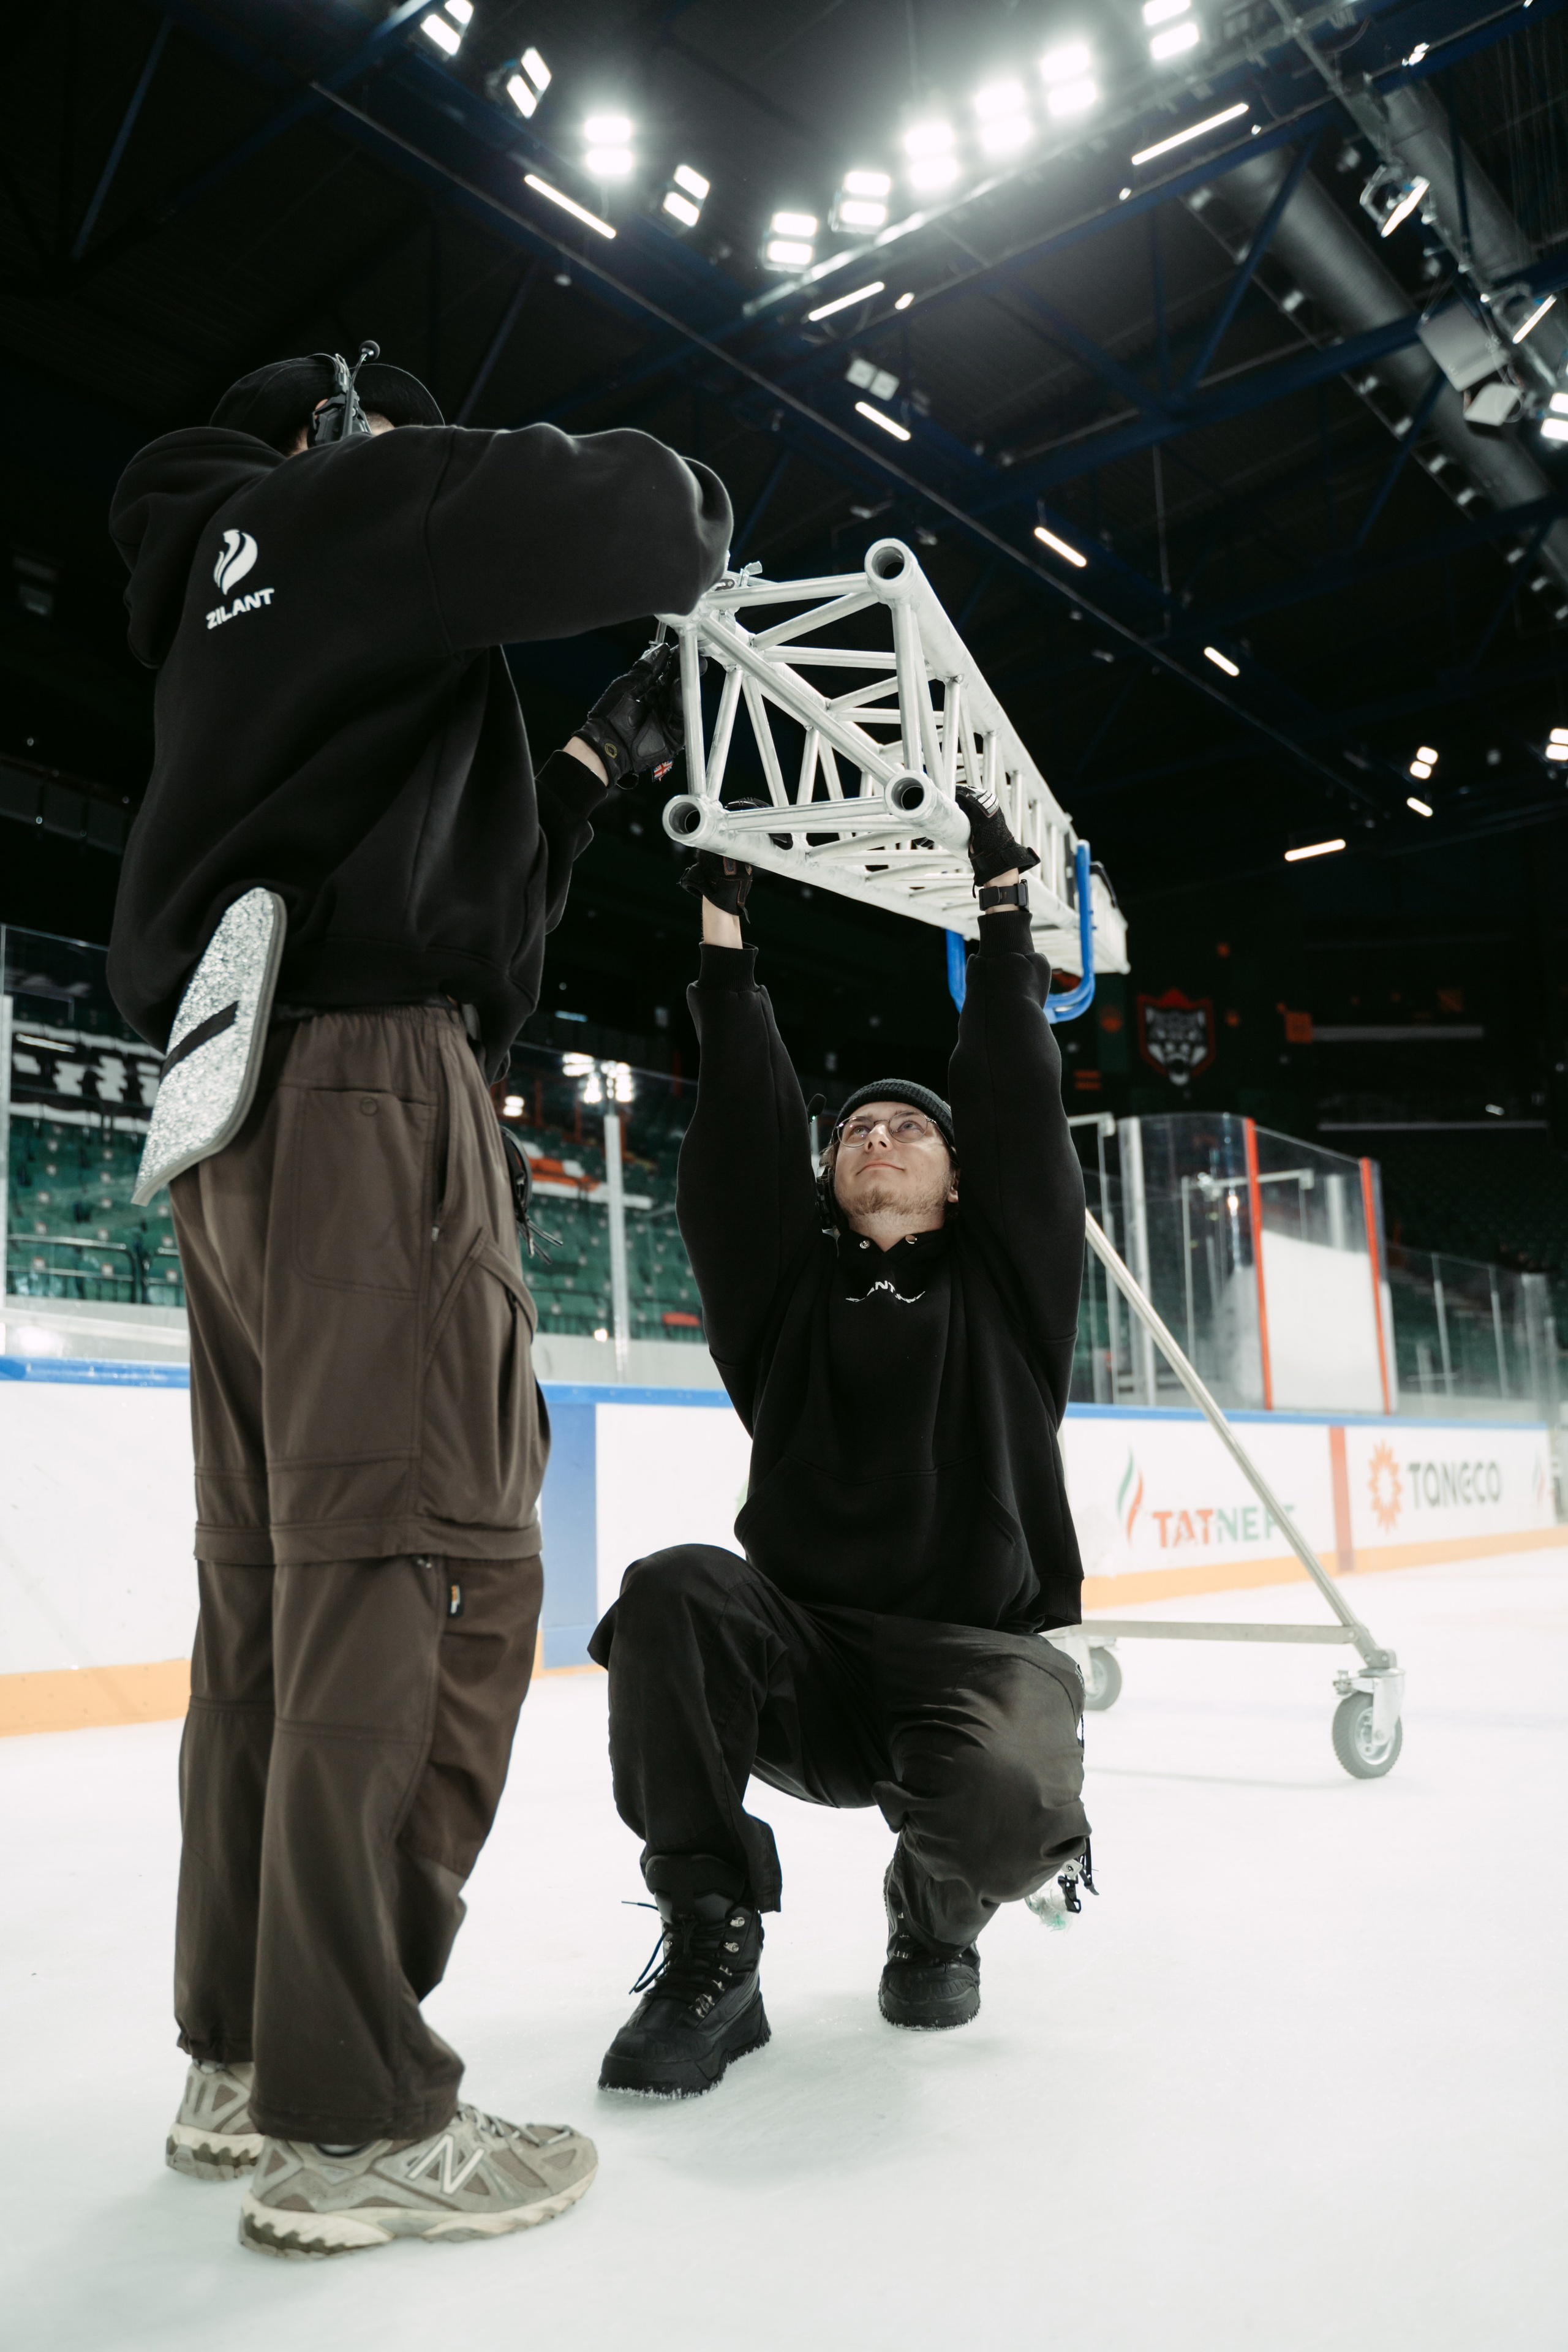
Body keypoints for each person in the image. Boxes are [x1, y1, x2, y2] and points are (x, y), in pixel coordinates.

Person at [107, 348, 731, 2251]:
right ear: (344, 427)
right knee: (427, 1569)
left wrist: (584, 777)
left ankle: (246, 2057)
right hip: (373, 1098)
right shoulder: (350, 499)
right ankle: (357, 2109)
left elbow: (427, 862)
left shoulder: (218, 600)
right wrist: (440, 463)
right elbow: (659, 518)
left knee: (275, 1602)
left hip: (236, 1110)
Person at [589, 787, 1091, 2098]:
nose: (878, 1137)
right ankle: (712, 1939)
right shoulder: (782, 1300)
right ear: (827, 1176)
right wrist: (724, 942)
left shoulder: (1011, 1287)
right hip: (801, 1659)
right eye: (857, 1129)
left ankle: (935, 1914)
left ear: (959, 1179)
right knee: (671, 1591)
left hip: (973, 1657)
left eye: (910, 1128)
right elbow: (738, 1143)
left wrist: (1002, 920)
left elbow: (1016, 1099)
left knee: (1006, 1809)